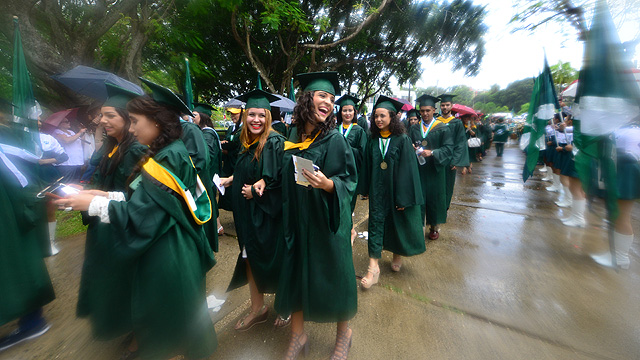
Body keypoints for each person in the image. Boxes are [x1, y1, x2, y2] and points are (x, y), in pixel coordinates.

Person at [55, 81, 217, 360]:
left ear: (156, 122)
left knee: (161, 323)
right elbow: (146, 198)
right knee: (180, 316)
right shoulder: (170, 151)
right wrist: (105, 195)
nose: (131, 128)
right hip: (174, 242)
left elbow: (142, 215)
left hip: (167, 250)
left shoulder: (166, 159)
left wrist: (92, 203)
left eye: (135, 121)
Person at [275, 72, 357, 360]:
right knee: (297, 273)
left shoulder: (335, 140)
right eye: (323, 96)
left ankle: (344, 334)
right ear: (306, 99)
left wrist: (329, 185)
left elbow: (349, 181)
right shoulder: (293, 138)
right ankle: (298, 335)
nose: (329, 103)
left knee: (336, 275)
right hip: (298, 221)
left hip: (326, 222)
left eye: (332, 99)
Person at [75, 83, 149, 348]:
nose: (102, 120)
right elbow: (98, 178)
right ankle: (125, 324)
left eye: (110, 116)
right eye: (102, 115)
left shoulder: (136, 151)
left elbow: (140, 200)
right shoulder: (109, 148)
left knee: (128, 280)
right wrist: (80, 191)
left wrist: (94, 199)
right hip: (103, 224)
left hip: (123, 226)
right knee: (108, 279)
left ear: (128, 119)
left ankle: (141, 331)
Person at [220, 89, 290, 331]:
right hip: (247, 218)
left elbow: (282, 184)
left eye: (261, 115)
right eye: (251, 114)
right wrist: (232, 179)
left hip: (268, 219)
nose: (256, 120)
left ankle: (285, 306)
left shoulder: (274, 143)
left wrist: (256, 193)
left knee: (275, 261)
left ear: (269, 116)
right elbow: (249, 172)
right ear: (245, 115)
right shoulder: (245, 142)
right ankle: (257, 308)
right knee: (250, 261)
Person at [358, 95, 425, 289]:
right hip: (378, 191)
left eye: (382, 116)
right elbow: (367, 166)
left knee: (397, 223)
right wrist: (365, 189)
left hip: (397, 191)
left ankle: (397, 254)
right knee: (376, 224)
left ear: (392, 117)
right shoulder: (372, 140)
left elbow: (408, 170)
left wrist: (404, 197)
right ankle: (373, 269)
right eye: (376, 116)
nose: (378, 120)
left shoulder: (402, 139)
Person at [591, 124, 640, 269]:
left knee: (621, 216)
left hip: (625, 170)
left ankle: (620, 257)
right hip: (622, 169)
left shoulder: (627, 131)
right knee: (617, 215)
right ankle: (616, 254)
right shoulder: (625, 129)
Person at [409, 94, 454, 241]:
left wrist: (433, 152)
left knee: (435, 199)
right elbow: (408, 144)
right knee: (419, 198)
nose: (425, 113)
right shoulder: (414, 128)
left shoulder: (442, 128)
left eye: (428, 110)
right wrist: (411, 148)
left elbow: (448, 149)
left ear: (434, 110)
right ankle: (418, 226)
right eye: (422, 111)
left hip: (436, 170)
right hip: (419, 170)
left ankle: (434, 226)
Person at [336, 94, 368, 243]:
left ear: (354, 112)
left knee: (348, 204)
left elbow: (363, 153)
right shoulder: (334, 129)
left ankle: (350, 231)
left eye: (350, 110)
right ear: (340, 112)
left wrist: (346, 148)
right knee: (337, 203)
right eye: (344, 110)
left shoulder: (359, 131)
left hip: (351, 173)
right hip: (335, 172)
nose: (347, 113)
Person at [193, 102, 224, 245]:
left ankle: (215, 228)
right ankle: (217, 227)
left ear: (203, 116)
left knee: (209, 200)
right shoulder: (205, 132)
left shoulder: (208, 134)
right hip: (211, 173)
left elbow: (208, 156)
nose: (192, 117)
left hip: (209, 174)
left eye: (195, 115)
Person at [437, 94, 469, 219]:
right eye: (443, 105)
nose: (445, 107)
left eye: (447, 105)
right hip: (437, 159)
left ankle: (443, 210)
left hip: (449, 160)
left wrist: (455, 161)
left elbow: (461, 143)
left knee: (447, 186)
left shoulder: (457, 123)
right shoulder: (436, 121)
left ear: (451, 106)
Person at [219, 107, 243, 211]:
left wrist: (229, 149)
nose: (232, 116)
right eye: (231, 114)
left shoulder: (244, 129)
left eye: (235, 114)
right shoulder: (231, 128)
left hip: (236, 162)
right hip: (229, 163)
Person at [51, 116, 87, 182]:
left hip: (77, 161)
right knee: (67, 183)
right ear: (60, 124)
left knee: (75, 182)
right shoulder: (56, 132)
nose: (69, 123)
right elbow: (67, 140)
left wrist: (83, 134)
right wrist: (79, 133)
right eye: (66, 122)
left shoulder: (71, 132)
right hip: (67, 163)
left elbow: (82, 142)